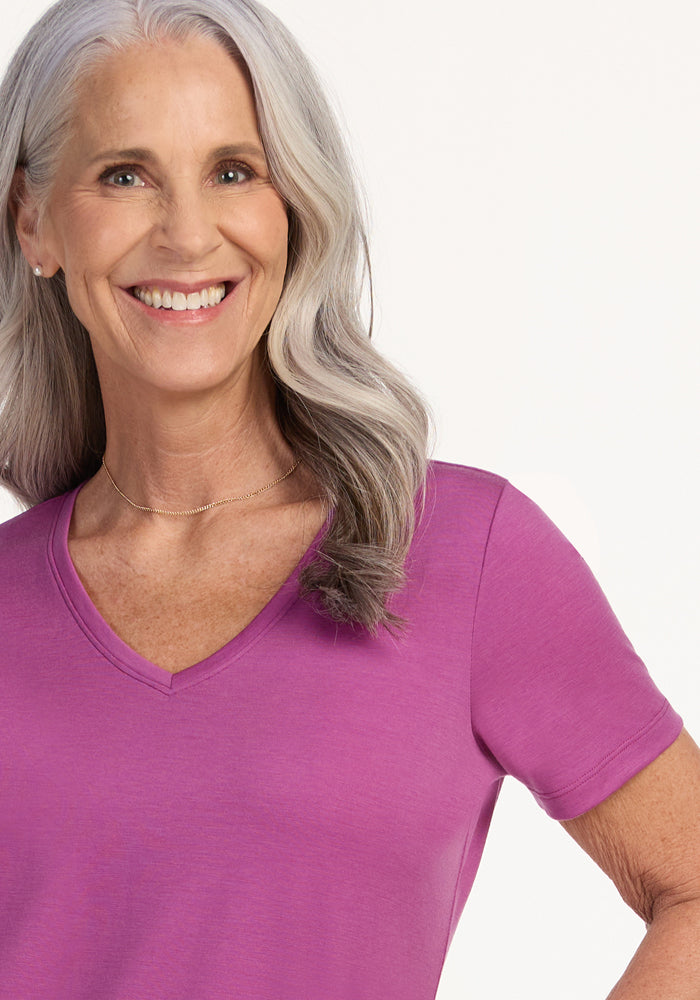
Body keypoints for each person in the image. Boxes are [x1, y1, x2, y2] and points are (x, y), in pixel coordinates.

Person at [0, 0, 697, 997]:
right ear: (33, 218)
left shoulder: (465, 553)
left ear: (295, 207)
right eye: (125, 175)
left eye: (234, 171)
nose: (189, 233)